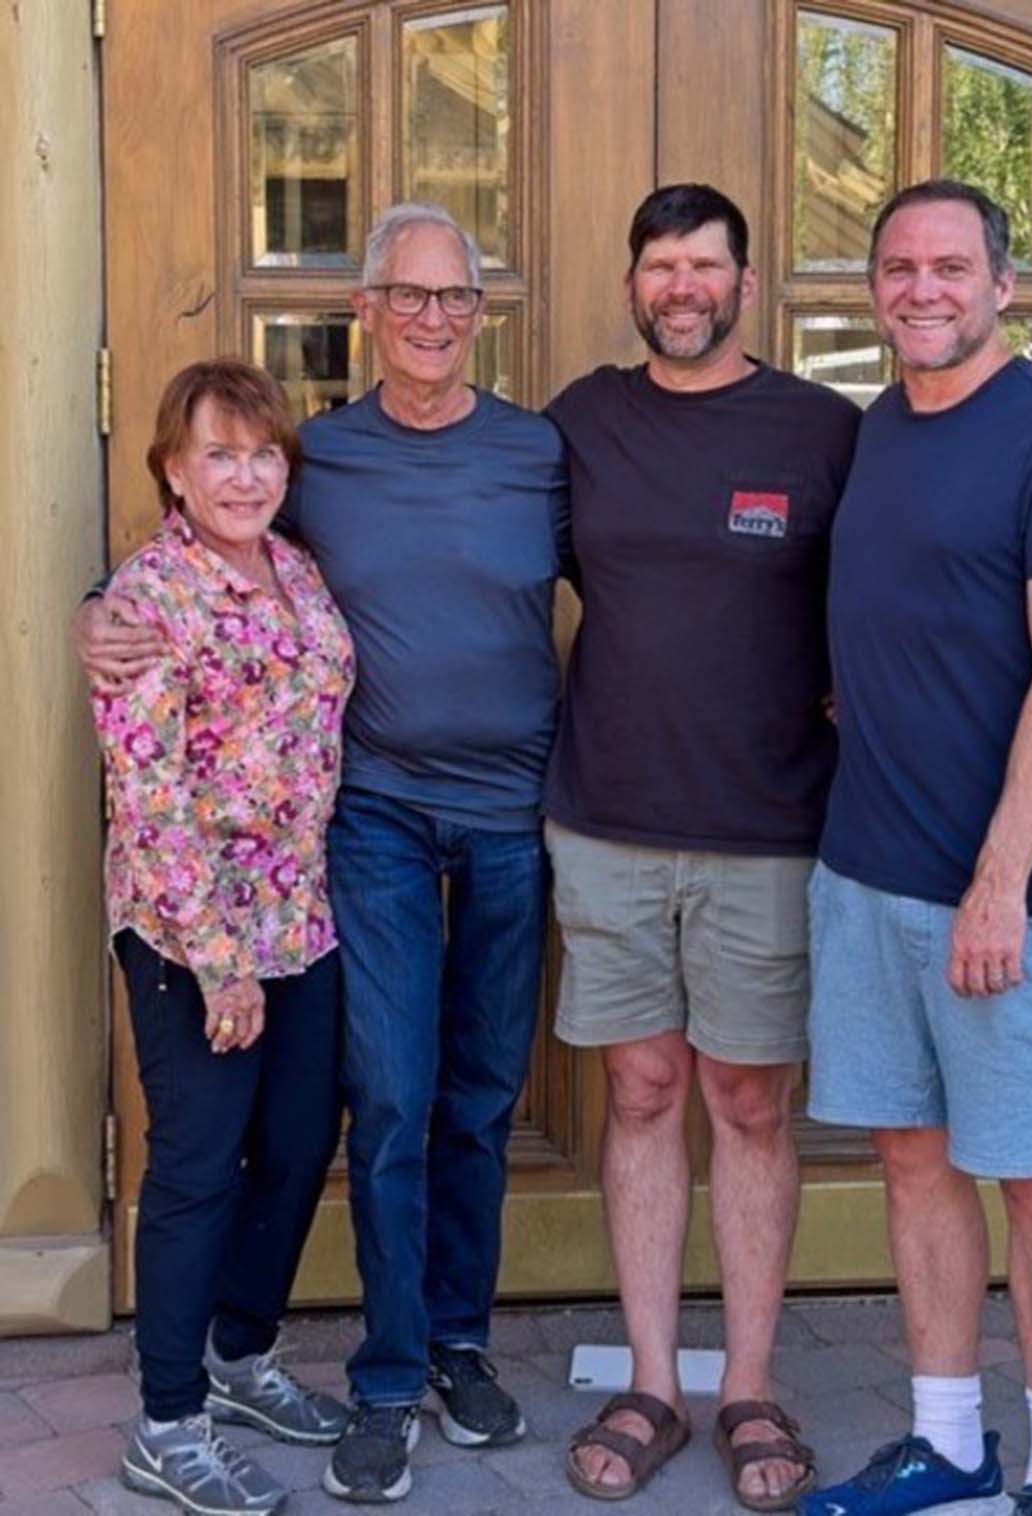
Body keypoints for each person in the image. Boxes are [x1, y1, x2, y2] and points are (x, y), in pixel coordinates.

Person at [77, 203, 569, 1505]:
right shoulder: (316, 469)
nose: (429, 319)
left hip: (491, 825)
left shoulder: (527, 458)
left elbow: (641, 583)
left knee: (461, 1102)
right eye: (405, 296)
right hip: (360, 841)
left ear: (480, 313)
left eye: (452, 298)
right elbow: (160, 663)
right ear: (365, 311)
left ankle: (440, 1344)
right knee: (388, 1103)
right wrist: (97, 612)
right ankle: (376, 1376)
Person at [798, 180, 1032, 1516]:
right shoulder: (878, 426)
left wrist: (998, 880)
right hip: (864, 874)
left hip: (1011, 897)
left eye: (949, 267)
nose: (920, 289)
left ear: (1003, 284)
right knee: (911, 1163)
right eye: (896, 267)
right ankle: (947, 1446)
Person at [546, 183, 859, 1511]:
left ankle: (747, 1384)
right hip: (605, 819)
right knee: (641, 1094)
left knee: (745, 1103)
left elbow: (910, 586)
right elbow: (439, 547)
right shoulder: (579, 423)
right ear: (633, 285)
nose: (680, 287)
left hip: (765, 830)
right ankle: (654, 1383)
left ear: (744, 280)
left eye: (704, 266)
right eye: (658, 266)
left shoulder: (821, 431)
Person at [90, 360, 355, 1515]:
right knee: (197, 1170)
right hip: (186, 927)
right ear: (172, 469)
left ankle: (240, 1355)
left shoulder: (294, 570)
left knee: (299, 1144)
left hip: (301, 915)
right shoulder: (146, 601)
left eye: (262, 454)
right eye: (218, 454)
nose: (244, 475)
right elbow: (146, 792)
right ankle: (167, 1420)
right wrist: (215, 958)